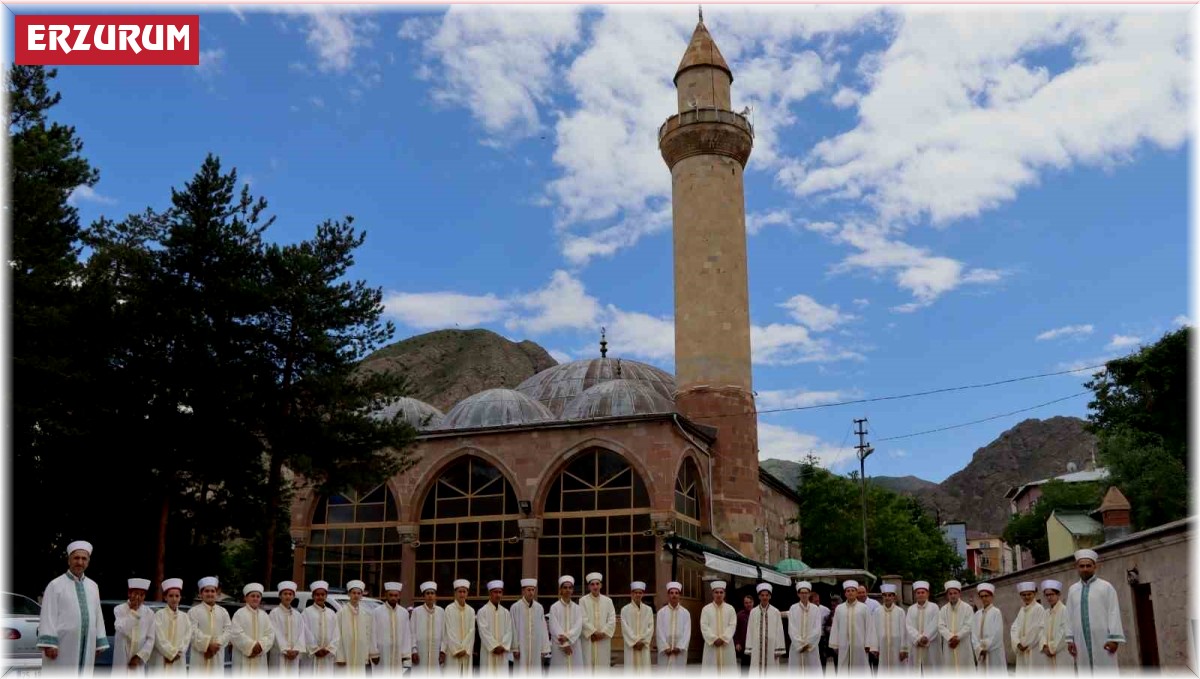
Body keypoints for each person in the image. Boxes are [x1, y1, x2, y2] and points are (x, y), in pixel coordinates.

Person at [36, 541, 110, 675]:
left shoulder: (93, 586)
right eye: (76, 558)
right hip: (62, 646)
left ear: (88, 562)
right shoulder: (55, 585)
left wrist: (99, 641)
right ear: (69, 560)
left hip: (87, 645)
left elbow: (98, 614)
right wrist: (49, 644)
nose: (80, 562)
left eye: (84, 559)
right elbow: (47, 615)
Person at [1066, 548, 1125, 673]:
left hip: (1103, 640)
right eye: (1082, 566)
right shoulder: (1072, 590)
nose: (1085, 568)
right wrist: (1070, 640)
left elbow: (1113, 612)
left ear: (1095, 566)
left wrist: (1114, 639)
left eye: (1088, 565)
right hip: (1080, 640)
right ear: (1077, 567)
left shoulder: (1106, 587)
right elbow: (1069, 616)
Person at [829, 580, 875, 675]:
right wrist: (835, 644)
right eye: (848, 591)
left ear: (856, 593)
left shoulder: (863, 608)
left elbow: (869, 626)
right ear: (845, 593)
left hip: (860, 644)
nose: (850, 592)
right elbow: (835, 627)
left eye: (853, 590)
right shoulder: (839, 608)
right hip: (843, 644)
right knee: (844, 668)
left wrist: (868, 644)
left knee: (860, 669)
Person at [187, 576, 231, 675]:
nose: (210, 594)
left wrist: (217, 644)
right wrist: (207, 645)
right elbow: (192, 631)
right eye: (206, 591)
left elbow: (228, 630)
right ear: (200, 594)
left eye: (212, 591)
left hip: (217, 654)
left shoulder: (223, 612)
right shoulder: (193, 611)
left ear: (217, 594)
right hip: (199, 655)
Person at [112, 578, 156, 674]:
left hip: (138, 661)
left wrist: (138, 657)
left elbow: (151, 638)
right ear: (129, 593)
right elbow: (122, 629)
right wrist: (133, 612)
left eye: (141, 595)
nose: (138, 597)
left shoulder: (149, 613)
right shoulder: (119, 609)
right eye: (135, 593)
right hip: (122, 658)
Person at [230, 583, 275, 674]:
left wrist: (261, 646)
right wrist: (251, 646)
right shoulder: (239, 614)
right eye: (252, 596)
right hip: (243, 656)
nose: (255, 598)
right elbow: (236, 634)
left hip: (260, 656)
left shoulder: (264, 615)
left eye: (258, 596)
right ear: (245, 598)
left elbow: (270, 634)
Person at [335, 579, 379, 672]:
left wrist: (370, 653)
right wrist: (340, 656)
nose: (356, 595)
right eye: (353, 593)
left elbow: (369, 635)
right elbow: (337, 635)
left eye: (359, 593)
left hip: (360, 654)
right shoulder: (341, 613)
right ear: (349, 594)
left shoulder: (365, 614)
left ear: (361, 595)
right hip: (346, 655)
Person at [150, 578, 192, 673]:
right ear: (165, 597)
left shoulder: (185, 617)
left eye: (177, 596)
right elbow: (158, 638)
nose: (174, 599)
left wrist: (178, 653)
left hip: (178, 659)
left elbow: (187, 637)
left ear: (180, 597)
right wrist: (170, 653)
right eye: (171, 596)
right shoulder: (159, 615)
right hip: (161, 658)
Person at [511, 578, 551, 674]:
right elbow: (513, 628)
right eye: (529, 590)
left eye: (533, 590)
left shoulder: (539, 607)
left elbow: (543, 628)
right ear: (523, 591)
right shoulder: (515, 607)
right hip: (521, 647)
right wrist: (515, 647)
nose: (531, 592)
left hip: (535, 646)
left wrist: (544, 647)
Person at [744, 583, 785, 674]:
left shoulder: (775, 612)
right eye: (762, 595)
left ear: (770, 596)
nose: (764, 597)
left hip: (771, 647)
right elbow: (749, 631)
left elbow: (779, 631)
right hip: (756, 647)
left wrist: (778, 648)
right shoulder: (753, 612)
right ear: (759, 597)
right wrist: (749, 647)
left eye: (767, 595)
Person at [269, 580, 307, 675]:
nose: (288, 596)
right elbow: (274, 632)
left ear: (293, 596)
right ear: (280, 596)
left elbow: (301, 633)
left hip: (294, 654)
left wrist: (297, 649)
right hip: (279, 653)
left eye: (290, 594)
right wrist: (285, 649)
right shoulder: (274, 613)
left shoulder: (297, 615)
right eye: (285, 594)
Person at [580, 572, 616, 671]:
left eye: (597, 584)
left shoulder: (608, 601)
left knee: (603, 667)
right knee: (588, 667)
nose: (595, 586)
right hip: (589, 640)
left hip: (603, 640)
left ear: (601, 585)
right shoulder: (583, 601)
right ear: (589, 587)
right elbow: (583, 618)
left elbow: (612, 619)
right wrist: (593, 632)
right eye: (592, 584)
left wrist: (602, 633)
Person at [303, 580, 339, 673]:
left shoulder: (331, 614)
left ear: (326, 596)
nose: (320, 597)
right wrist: (315, 649)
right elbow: (304, 632)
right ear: (313, 596)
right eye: (317, 595)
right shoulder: (306, 612)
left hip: (327, 656)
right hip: (311, 656)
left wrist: (329, 649)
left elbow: (337, 634)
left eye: (322, 595)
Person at [373, 582, 411, 673]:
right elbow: (372, 633)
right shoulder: (377, 612)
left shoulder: (404, 612)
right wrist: (374, 653)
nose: (393, 597)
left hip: (398, 653)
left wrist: (405, 654)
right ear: (386, 595)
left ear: (399, 596)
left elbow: (406, 634)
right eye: (391, 595)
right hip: (382, 653)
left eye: (395, 595)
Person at [477, 580, 513, 675]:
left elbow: (509, 631)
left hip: (502, 652)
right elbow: (483, 632)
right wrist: (494, 646)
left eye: (500, 592)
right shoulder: (482, 612)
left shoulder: (506, 612)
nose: (498, 595)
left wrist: (503, 646)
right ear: (490, 593)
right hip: (489, 652)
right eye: (495, 592)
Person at [700, 580, 737, 673]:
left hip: (726, 645)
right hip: (711, 645)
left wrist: (724, 638)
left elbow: (732, 625)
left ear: (724, 594)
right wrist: (714, 639)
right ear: (712, 593)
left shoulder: (730, 609)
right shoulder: (706, 609)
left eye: (721, 592)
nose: (719, 594)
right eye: (716, 592)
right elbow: (704, 626)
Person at [937, 580, 973, 674]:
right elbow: (941, 626)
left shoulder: (967, 608)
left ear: (959, 593)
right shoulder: (943, 609)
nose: (953, 595)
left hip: (963, 643)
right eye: (950, 593)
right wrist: (950, 637)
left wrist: (957, 637)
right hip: (949, 644)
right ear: (947, 595)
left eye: (955, 593)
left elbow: (969, 625)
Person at [905, 580, 940, 674]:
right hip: (916, 645)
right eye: (918, 593)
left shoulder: (934, 607)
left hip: (930, 645)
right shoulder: (911, 609)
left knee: (930, 670)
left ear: (927, 593)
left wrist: (926, 637)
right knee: (916, 670)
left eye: (923, 592)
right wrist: (918, 638)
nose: (920, 594)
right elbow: (909, 626)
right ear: (915, 594)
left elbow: (935, 623)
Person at [1010, 581, 1046, 674]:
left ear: (1034, 594)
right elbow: (1014, 628)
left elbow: (1038, 629)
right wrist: (1017, 643)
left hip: (1033, 649)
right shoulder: (1022, 611)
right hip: (1021, 649)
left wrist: (1025, 643)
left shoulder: (1039, 608)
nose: (1026, 597)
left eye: (1029, 594)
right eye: (1023, 595)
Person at [549, 575, 584, 670]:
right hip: (559, 647)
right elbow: (553, 627)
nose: (568, 590)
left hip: (574, 645)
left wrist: (567, 637)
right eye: (565, 587)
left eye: (570, 588)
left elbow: (578, 626)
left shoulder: (578, 608)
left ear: (572, 590)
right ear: (560, 590)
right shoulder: (554, 608)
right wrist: (565, 644)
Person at [409, 581, 445, 674]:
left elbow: (444, 633)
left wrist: (443, 651)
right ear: (423, 596)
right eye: (427, 593)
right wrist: (413, 650)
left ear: (435, 596)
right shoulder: (416, 611)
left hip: (436, 651)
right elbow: (411, 632)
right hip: (420, 651)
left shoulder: (441, 611)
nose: (430, 596)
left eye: (432, 593)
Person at [786, 581, 821, 674]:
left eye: (806, 593)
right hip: (796, 647)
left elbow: (817, 629)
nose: (804, 595)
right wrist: (800, 644)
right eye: (802, 593)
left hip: (811, 648)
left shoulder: (815, 609)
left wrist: (808, 644)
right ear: (798, 594)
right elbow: (791, 628)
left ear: (809, 594)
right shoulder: (793, 608)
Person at [873, 584, 908, 673]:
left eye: (890, 595)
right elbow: (874, 630)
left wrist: (904, 648)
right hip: (882, 646)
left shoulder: (900, 611)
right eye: (885, 595)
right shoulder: (877, 611)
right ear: (882, 597)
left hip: (897, 646)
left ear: (894, 597)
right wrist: (875, 648)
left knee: (898, 670)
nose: (887, 597)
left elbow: (904, 631)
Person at [970, 583, 1005, 672]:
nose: (984, 598)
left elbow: (997, 634)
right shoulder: (977, 614)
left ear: (991, 596)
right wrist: (979, 648)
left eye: (986, 596)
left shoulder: (996, 612)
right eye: (982, 596)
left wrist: (986, 648)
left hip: (993, 651)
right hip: (981, 652)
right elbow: (973, 633)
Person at [444, 579, 476, 676]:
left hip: (466, 652)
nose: (462, 594)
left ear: (467, 593)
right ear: (455, 593)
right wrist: (457, 649)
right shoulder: (449, 609)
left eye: (464, 592)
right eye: (460, 592)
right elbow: (448, 631)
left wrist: (465, 649)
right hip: (453, 651)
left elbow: (472, 631)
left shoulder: (471, 610)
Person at [1039, 579, 1072, 674]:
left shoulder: (1065, 610)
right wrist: (1044, 645)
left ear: (1058, 595)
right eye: (1047, 595)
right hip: (1048, 653)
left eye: (1052, 594)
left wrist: (1052, 648)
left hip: (1061, 652)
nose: (1049, 597)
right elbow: (1041, 630)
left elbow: (1064, 632)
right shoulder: (1045, 613)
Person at [621, 581, 654, 673]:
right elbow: (625, 628)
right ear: (631, 594)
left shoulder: (648, 610)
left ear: (643, 594)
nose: (638, 595)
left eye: (640, 593)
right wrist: (635, 641)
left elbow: (650, 628)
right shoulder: (625, 610)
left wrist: (643, 641)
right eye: (636, 592)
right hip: (631, 647)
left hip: (643, 646)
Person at [656, 581, 690, 668]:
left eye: (676, 593)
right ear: (668, 595)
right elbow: (659, 631)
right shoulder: (661, 612)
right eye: (671, 593)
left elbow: (687, 632)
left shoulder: (685, 613)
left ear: (679, 595)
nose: (674, 595)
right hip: (665, 651)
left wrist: (680, 647)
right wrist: (665, 647)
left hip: (679, 651)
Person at [734, 594, 752, 671]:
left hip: (755, 645)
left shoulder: (757, 613)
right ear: (744, 604)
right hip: (744, 645)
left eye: (750, 602)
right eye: (746, 603)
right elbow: (736, 630)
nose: (748, 604)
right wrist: (737, 643)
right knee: (745, 668)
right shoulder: (739, 615)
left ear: (753, 602)